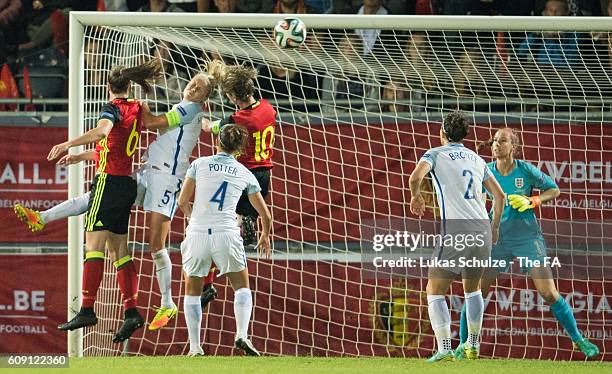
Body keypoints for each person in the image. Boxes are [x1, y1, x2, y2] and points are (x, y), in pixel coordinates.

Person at [14, 72, 220, 331]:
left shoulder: (189, 108)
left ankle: (167, 303)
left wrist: (142, 110)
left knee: (155, 244)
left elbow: (151, 122)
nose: (192, 88)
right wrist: (81, 156)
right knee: (105, 214)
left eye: (198, 88)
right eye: (192, 83)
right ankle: (43, 218)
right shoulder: (178, 108)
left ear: (205, 98)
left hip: (166, 179)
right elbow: (119, 146)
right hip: (146, 172)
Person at [44, 58, 178, 343]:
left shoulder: (112, 109)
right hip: (126, 183)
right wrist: (80, 156)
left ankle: (87, 309)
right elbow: (112, 146)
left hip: (107, 183)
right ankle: (132, 312)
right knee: (120, 250)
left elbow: (103, 132)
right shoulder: (136, 108)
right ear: (129, 85)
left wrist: (68, 143)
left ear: (108, 87)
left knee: (93, 246)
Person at [455, 128, 600, 359]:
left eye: (502, 141)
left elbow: (554, 189)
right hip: (497, 238)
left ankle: (578, 340)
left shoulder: (525, 170)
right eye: (494, 141)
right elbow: (478, 201)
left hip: (527, 238)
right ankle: (464, 345)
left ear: (513, 146)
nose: (495, 145)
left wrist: (533, 200)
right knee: (475, 293)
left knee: (549, 294)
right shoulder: (485, 171)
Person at [409, 111, 505, 362]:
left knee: (434, 289)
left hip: (457, 229)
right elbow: (500, 197)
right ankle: (472, 345)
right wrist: (494, 228)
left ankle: (444, 348)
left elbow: (415, 177)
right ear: (465, 135)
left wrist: (416, 195)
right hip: (482, 228)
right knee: (472, 290)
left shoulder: (435, 154)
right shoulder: (476, 158)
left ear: (442, 133)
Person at [178, 124, 272, 356]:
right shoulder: (244, 173)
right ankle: (241, 334)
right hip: (226, 234)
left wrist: (194, 218)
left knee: (192, 291)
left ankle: (195, 348)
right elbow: (265, 215)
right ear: (239, 150)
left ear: (217, 142)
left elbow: (182, 202)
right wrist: (265, 235)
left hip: (198, 233)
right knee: (241, 287)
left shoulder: (199, 164)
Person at [202, 61, 277, 248]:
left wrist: (198, 117)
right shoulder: (269, 108)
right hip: (264, 175)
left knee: (225, 220)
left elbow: (209, 127)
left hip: (243, 174)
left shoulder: (236, 120)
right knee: (244, 216)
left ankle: (240, 227)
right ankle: (245, 223)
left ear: (233, 96)